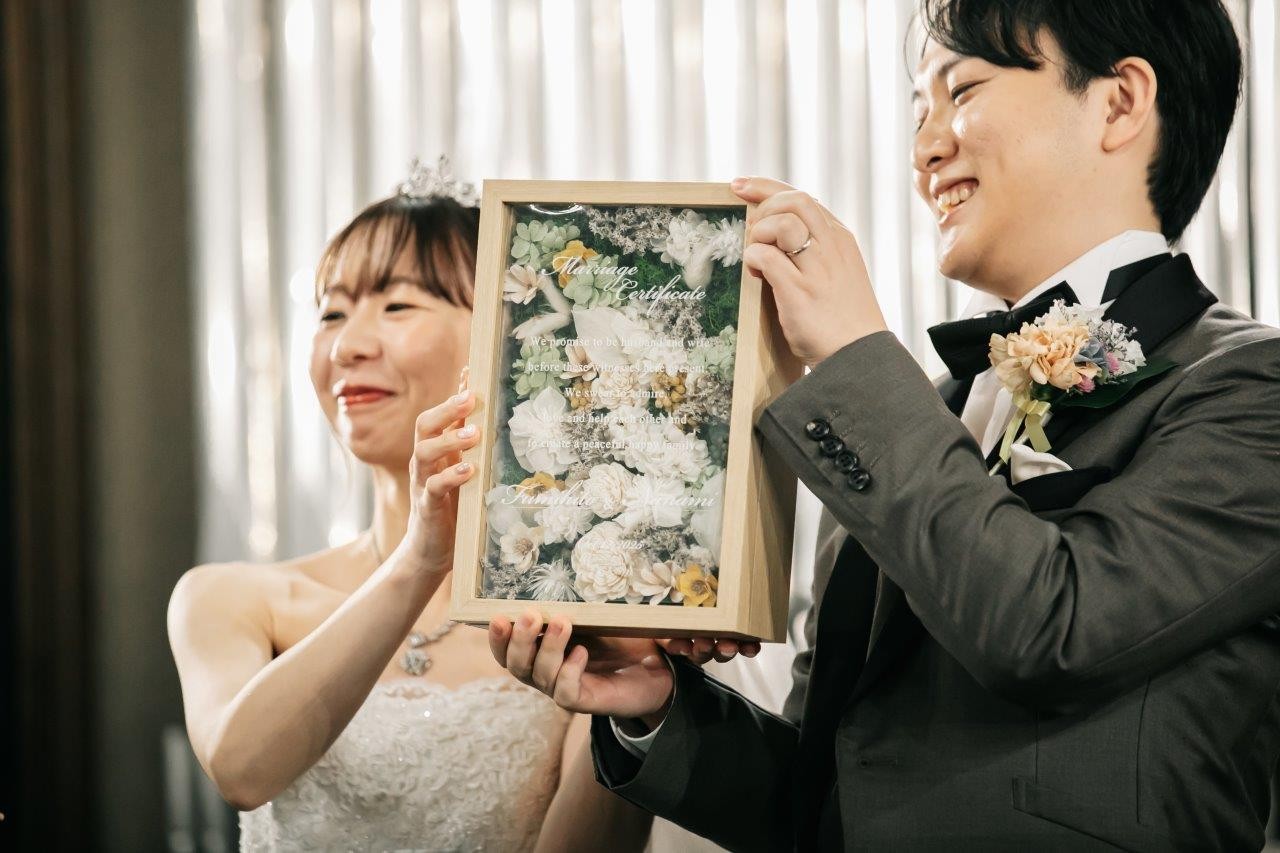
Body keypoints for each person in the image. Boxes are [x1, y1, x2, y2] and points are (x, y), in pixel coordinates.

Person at [489, 1, 1280, 849]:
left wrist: (853, 354)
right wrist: (658, 705)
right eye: (916, 113)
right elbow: (825, 791)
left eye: (962, 91)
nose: (925, 149)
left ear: (1119, 102)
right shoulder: (918, 409)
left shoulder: (1248, 384)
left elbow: (1053, 630)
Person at [167, 158, 652, 851]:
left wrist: (635, 715)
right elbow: (241, 770)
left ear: (508, 337)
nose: (347, 346)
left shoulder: (571, 617)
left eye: (397, 306)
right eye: (331, 313)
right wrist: (420, 558)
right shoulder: (233, 598)